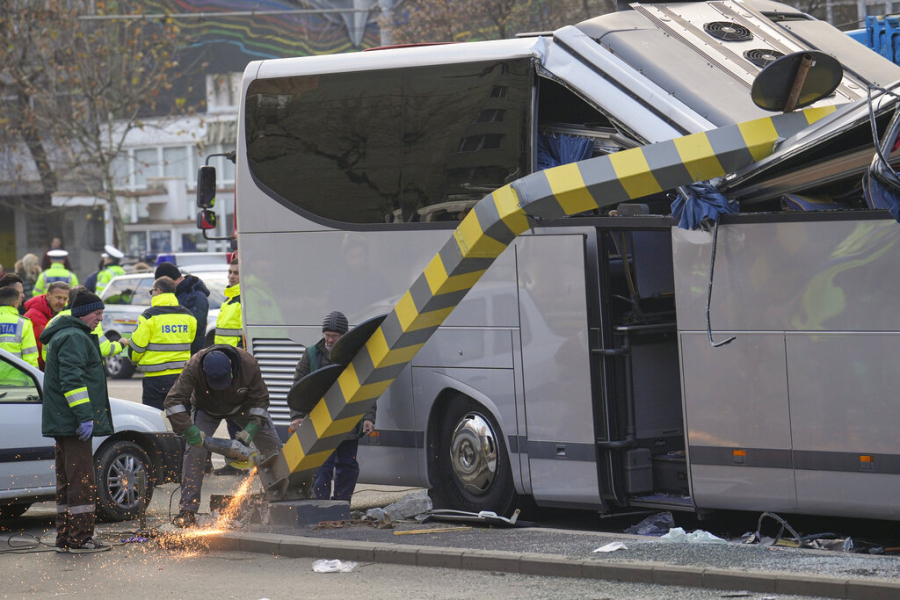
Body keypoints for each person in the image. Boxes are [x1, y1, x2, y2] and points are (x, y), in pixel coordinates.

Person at [163, 345, 284, 526]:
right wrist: (189, 430)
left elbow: (261, 400)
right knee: (195, 451)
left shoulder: (248, 364)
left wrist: (251, 430)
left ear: (230, 363)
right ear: (204, 371)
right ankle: (187, 510)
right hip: (207, 409)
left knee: (273, 448)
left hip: (243, 407)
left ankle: (286, 499)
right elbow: (173, 402)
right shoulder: (194, 366)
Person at [40, 290, 112, 553]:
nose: (100, 319)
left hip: (63, 421)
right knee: (81, 479)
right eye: (97, 313)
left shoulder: (67, 333)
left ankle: (65, 537)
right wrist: (85, 416)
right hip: (73, 423)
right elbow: (72, 381)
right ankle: (80, 539)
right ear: (83, 313)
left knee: (67, 480)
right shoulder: (74, 337)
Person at [289, 311, 376, 501]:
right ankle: (322, 506)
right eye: (327, 335)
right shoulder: (311, 354)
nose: (329, 340)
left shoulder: (355, 355)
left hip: (349, 420)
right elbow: (298, 386)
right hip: (320, 422)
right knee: (322, 466)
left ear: (344, 336)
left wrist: (369, 417)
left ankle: (342, 504)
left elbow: (366, 387)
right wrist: (296, 416)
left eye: (334, 336)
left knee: (347, 465)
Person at [128, 276, 196, 410]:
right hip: (181, 377)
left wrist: (133, 360)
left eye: (151, 292)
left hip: (155, 378)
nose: (151, 295)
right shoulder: (188, 316)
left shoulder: (148, 316)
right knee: (181, 416)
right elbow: (191, 341)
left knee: (153, 418)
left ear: (159, 291)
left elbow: (136, 349)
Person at [212, 257, 244, 476]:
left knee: (237, 417)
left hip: (235, 368)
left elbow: (244, 338)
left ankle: (240, 462)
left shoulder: (241, 302)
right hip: (226, 366)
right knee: (231, 417)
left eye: (236, 273)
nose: (231, 276)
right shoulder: (229, 301)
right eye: (230, 272)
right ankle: (236, 462)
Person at [42, 285, 128, 364]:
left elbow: (45, 353)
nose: (100, 318)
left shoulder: (55, 319)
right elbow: (104, 349)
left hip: (55, 369)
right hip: (85, 372)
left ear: (68, 301)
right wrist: (120, 344)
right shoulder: (89, 320)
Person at [155, 262, 210, 355]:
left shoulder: (195, 296)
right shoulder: (179, 294)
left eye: (161, 286)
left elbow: (194, 328)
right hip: (180, 353)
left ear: (169, 281)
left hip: (191, 354)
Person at [23, 281, 70, 370]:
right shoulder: (34, 316)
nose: (62, 302)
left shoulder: (56, 314)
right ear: (48, 295)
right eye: (58, 297)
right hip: (36, 370)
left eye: (65, 299)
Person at [0, 286, 39, 380]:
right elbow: (30, 357)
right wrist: (34, 382)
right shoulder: (23, 323)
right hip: (16, 381)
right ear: (15, 302)